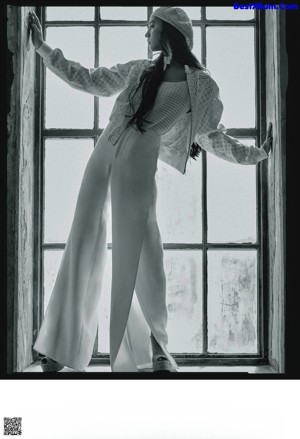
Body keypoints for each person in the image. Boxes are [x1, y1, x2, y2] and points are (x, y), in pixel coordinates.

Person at [29, 7, 272, 373]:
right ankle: (60, 350)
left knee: (146, 256)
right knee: (82, 243)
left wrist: (257, 154)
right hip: (105, 150)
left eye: (152, 26)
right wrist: (44, 49)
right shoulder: (141, 69)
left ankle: (157, 348)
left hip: (139, 163)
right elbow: (92, 79)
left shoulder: (201, 85)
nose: (147, 34)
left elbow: (213, 137)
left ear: (170, 30)